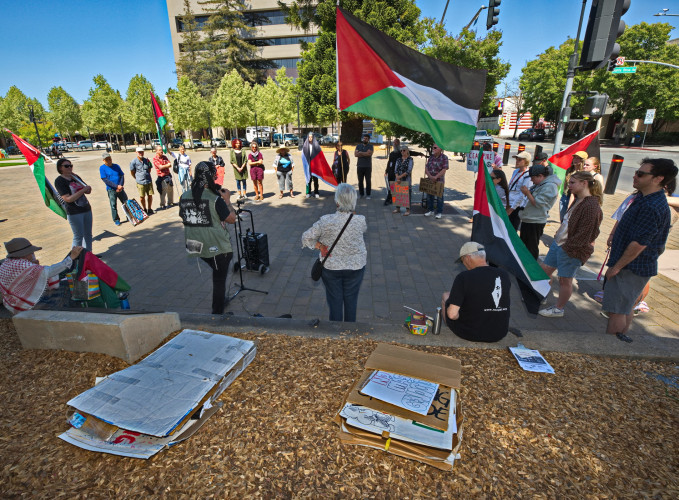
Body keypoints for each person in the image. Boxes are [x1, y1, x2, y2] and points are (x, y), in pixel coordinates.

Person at [602, 158, 678, 342]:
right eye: (637, 172)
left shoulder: (651, 206)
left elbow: (639, 244)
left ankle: (611, 347)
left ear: (658, 179)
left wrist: (616, 267)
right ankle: (620, 343)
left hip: (631, 267)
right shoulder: (644, 198)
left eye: (641, 174)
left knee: (617, 310)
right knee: (625, 307)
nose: (635, 176)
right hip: (632, 266)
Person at [538, 171, 604, 318]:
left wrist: (567, 248)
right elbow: (569, 222)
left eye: (573, 183)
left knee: (565, 280)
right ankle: (541, 295)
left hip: (571, 249)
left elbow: (585, 235)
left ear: (584, 183)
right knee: (544, 271)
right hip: (559, 244)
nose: (569, 186)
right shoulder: (579, 200)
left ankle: (558, 308)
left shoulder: (591, 206)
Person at [301, 183, 367, 322]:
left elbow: (306, 237)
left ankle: (335, 333)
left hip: (331, 267)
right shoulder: (361, 220)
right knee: (351, 301)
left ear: (337, 201)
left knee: (335, 303)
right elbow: (362, 229)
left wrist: (319, 245)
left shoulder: (325, 220)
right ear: (353, 201)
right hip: (355, 267)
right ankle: (350, 332)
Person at [178, 162, 237, 315]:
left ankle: (219, 301)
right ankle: (217, 313)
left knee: (217, 273)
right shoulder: (215, 199)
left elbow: (183, 215)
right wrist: (228, 201)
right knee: (219, 280)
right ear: (211, 177)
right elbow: (231, 219)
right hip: (216, 247)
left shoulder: (184, 195)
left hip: (195, 245)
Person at [441, 242, 511, 342]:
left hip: (470, 333)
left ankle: (450, 326)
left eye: (462, 261)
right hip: (499, 333)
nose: (464, 264)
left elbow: (452, 315)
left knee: (446, 296)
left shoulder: (464, 277)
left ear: (467, 258)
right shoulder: (503, 275)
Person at [0, 238, 83, 314]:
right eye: (31, 253)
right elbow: (50, 271)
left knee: (58, 286)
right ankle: (60, 314)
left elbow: (31, 276)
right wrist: (71, 257)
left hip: (12, 304)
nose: (33, 254)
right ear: (24, 254)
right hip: (26, 307)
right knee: (65, 289)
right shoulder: (23, 265)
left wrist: (34, 265)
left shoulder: (7, 263)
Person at [518, 164, 561, 260]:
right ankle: (524, 265)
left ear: (541, 176)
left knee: (531, 247)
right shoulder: (541, 184)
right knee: (524, 245)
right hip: (528, 218)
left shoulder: (550, 186)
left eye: (533, 178)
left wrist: (527, 193)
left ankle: (531, 269)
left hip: (535, 221)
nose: (531, 180)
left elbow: (537, 203)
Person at [55, 158, 93, 252]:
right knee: (78, 236)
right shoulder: (59, 181)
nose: (69, 168)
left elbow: (87, 190)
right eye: (66, 166)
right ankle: (75, 258)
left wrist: (84, 186)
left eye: (71, 165)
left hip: (86, 208)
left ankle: (89, 255)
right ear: (60, 168)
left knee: (88, 234)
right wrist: (83, 190)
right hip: (74, 212)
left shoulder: (75, 177)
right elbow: (68, 199)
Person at [99, 152, 128, 226]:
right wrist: (116, 186)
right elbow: (105, 180)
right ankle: (116, 219)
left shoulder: (116, 166)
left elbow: (122, 175)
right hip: (111, 189)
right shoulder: (102, 168)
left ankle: (129, 215)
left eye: (109, 158)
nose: (109, 160)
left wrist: (120, 185)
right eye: (107, 159)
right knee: (113, 205)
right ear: (103, 160)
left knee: (125, 202)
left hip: (120, 188)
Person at [506, 151, 533, 230]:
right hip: (509, 202)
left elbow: (522, 195)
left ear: (526, 161)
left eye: (519, 160)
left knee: (512, 228)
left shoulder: (527, 175)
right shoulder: (515, 171)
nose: (517, 161)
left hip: (516, 206)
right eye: (517, 159)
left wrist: (512, 208)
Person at [559, 150, 587, 221]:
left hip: (575, 197)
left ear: (582, 160)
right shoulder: (570, 170)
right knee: (563, 219)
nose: (575, 160)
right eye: (575, 158)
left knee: (570, 219)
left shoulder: (583, 173)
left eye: (578, 158)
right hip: (565, 196)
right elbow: (565, 183)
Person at [424, 143, 449, 219]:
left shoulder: (444, 157)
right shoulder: (431, 157)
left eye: (435, 148)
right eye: (433, 147)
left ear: (440, 149)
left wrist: (436, 177)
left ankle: (439, 212)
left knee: (439, 197)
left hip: (439, 181)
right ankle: (430, 210)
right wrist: (430, 176)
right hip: (430, 180)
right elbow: (426, 168)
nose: (433, 149)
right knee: (429, 196)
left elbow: (444, 169)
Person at [130, 146, 154, 214]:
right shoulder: (133, 162)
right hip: (140, 182)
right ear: (136, 152)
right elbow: (132, 172)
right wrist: (137, 178)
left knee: (150, 195)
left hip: (148, 180)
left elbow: (149, 169)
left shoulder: (147, 160)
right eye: (139, 152)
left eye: (142, 152)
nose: (141, 153)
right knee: (142, 197)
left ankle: (149, 208)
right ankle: (144, 209)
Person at [392, 145, 413, 216]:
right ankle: (398, 208)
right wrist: (397, 177)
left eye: (404, 150)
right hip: (398, 179)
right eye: (401, 150)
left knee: (407, 194)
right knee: (398, 193)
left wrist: (400, 177)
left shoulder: (410, 159)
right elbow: (395, 169)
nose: (402, 152)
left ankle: (408, 210)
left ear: (407, 151)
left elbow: (409, 170)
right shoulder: (398, 159)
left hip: (406, 179)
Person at [152, 145, 174, 209]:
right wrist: (166, 165)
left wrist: (165, 165)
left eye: (161, 150)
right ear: (156, 151)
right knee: (163, 191)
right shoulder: (155, 158)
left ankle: (170, 202)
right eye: (159, 150)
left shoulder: (165, 157)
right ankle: (163, 204)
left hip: (168, 176)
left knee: (170, 189)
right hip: (161, 177)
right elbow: (160, 167)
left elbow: (170, 165)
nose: (161, 151)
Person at [354, 133, 374, 199]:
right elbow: (356, 154)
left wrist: (360, 153)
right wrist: (365, 153)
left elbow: (369, 154)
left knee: (368, 181)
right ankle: (361, 194)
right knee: (360, 181)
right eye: (364, 138)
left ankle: (368, 194)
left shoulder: (370, 146)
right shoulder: (358, 146)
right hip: (360, 166)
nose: (364, 139)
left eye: (366, 138)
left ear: (368, 140)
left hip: (368, 166)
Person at [384, 138, 400, 205]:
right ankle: (390, 198)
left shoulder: (401, 153)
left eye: (396, 143)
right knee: (390, 185)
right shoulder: (392, 153)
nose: (394, 144)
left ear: (399, 144)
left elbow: (411, 153)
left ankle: (388, 199)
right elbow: (389, 162)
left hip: (396, 172)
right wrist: (386, 171)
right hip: (390, 171)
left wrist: (420, 154)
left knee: (393, 186)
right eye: (394, 143)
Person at [304, 133, 320, 198]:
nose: (310, 138)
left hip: (315, 164)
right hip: (308, 164)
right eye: (309, 137)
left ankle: (316, 192)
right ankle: (308, 192)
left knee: (315, 178)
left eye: (311, 137)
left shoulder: (316, 145)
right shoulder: (305, 145)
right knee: (308, 178)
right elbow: (303, 155)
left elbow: (319, 154)